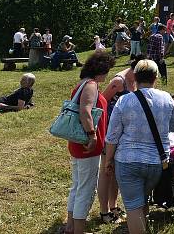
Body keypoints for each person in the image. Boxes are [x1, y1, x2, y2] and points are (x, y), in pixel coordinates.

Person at [104, 59, 174, 234]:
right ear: (155, 77)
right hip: (156, 162)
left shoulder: (124, 101)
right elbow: (173, 126)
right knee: (142, 199)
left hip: (128, 162)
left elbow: (112, 136)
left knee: (133, 207)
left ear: (135, 77)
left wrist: (109, 160)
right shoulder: (167, 98)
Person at [63, 50, 116, 234]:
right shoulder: (91, 85)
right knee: (86, 190)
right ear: (101, 69)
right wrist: (93, 135)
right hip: (87, 145)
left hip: (78, 144)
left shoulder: (83, 84)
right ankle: (78, 230)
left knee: (77, 186)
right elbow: (86, 111)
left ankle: (70, 226)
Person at [99, 57, 141, 224]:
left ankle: (113, 205)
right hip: (109, 133)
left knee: (115, 171)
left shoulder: (135, 81)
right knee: (105, 171)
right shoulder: (118, 81)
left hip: (123, 134)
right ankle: (104, 212)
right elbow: (101, 101)